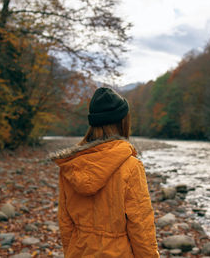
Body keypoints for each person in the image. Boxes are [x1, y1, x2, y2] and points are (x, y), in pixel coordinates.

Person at [50, 87, 159, 258]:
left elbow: (65, 222)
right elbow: (141, 227)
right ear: (123, 122)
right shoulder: (130, 166)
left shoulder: (72, 164)